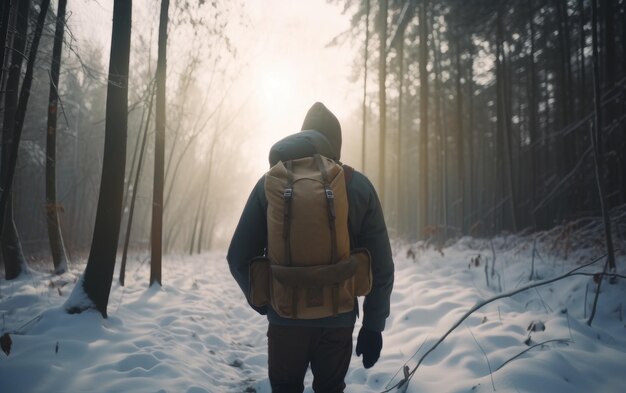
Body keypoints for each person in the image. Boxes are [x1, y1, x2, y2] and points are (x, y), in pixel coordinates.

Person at [227, 102, 394, 393]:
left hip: (285, 318)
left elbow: (238, 256)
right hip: (337, 320)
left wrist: (266, 303)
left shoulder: (269, 184)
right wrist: (373, 325)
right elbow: (382, 265)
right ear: (335, 144)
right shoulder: (357, 186)